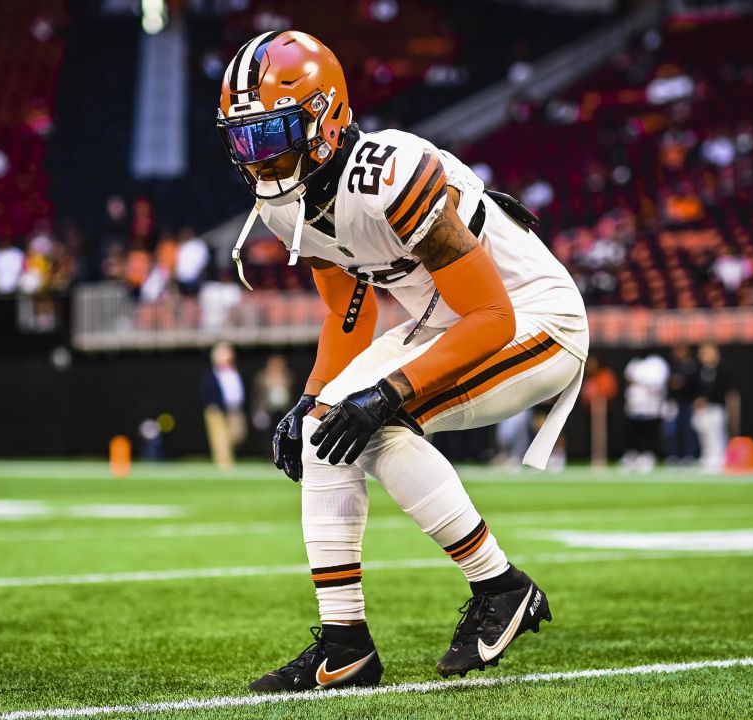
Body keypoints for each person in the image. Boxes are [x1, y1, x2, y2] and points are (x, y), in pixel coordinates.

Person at [216, 31, 585, 691]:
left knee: (373, 419)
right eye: (245, 139)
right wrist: (309, 398)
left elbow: (492, 317)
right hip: (447, 319)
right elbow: (345, 313)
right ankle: (345, 645)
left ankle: (502, 586)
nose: (261, 157)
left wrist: (389, 393)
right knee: (325, 430)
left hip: (531, 317)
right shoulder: (284, 207)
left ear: (324, 117)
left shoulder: (390, 171)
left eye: (272, 133)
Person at [198, 342, 247, 470]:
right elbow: (206, 390)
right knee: (220, 438)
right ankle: (224, 465)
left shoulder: (234, 372)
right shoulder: (212, 375)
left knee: (237, 435)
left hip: (234, 408)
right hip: (217, 409)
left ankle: (227, 459)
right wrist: (212, 404)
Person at [691, 343, 736, 473]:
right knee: (703, 434)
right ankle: (707, 457)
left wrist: (708, 399)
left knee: (716, 433)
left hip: (716, 407)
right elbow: (696, 388)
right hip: (701, 409)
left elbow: (724, 389)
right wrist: (698, 401)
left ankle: (719, 459)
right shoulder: (700, 370)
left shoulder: (722, 369)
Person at [622, 350, 669, 472]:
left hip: (651, 404)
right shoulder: (634, 363)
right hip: (635, 404)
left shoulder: (657, 363)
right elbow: (628, 379)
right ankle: (633, 455)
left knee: (650, 430)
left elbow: (658, 383)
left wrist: (643, 383)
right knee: (634, 431)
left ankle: (648, 456)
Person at [664, 345, 699, 464]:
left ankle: (689, 455)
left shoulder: (692, 365)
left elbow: (692, 383)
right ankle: (673, 456)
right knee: (671, 431)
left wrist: (681, 382)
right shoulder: (673, 365)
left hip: (687, 403)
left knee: (688, 429)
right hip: (673, 403)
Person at [251, 354, 295, 436]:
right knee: (268, 434)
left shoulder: (287, 376)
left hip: (283, 410)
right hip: (267, 410)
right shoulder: (262, 377)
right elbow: (257, 396)